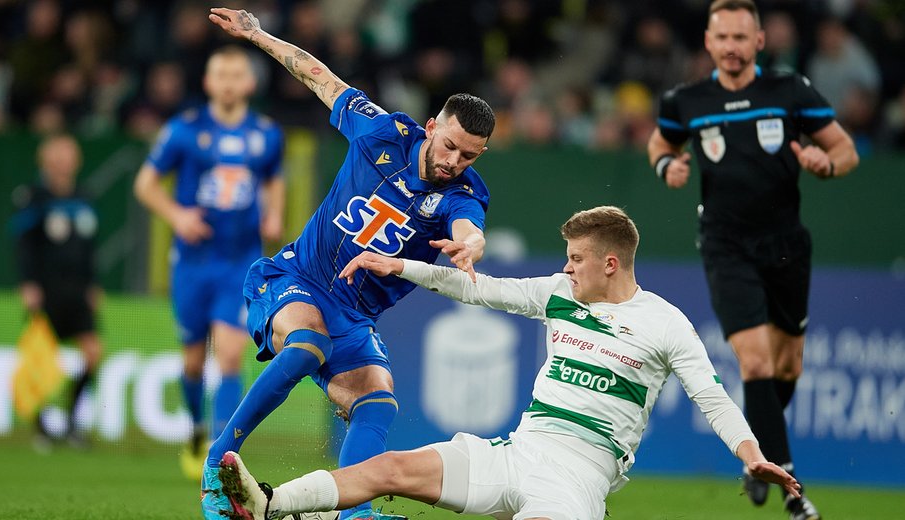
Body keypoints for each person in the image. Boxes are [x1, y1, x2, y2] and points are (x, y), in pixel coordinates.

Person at [211, 205, 801, 520]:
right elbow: (478, 289)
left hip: (580, 475)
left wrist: (752, 457)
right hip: (518, 451)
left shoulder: (666, 323)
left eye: (575, 259)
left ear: (611, 264)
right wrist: (401, 266)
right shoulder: (560, 295)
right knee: (389, 467)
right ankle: (269, 506)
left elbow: (712, 397)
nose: (566, 268)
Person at [203, 7, 495, 520]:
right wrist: (257, 34)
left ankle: (353, 514)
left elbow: (469, 228)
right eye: (449, 146)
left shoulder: (463, 194)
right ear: (431, 127)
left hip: (355, 317)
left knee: (377, 403)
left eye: (468, 156)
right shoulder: (381, 132)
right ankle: (215, 465)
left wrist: (472, 246)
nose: (454, 162)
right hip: (297, 278)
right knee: (307, 345)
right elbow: (319, 76)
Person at [645, 1, 859, 519]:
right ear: (709, 42)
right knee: (756, 362)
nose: (732, 47)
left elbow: (846, 150)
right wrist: (667, 165)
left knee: (786, 366)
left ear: (759, 41)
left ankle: (756, 449)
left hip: (786, 245)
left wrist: (826, 164)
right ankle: (792, 490)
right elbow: (659, 142)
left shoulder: (790, 91)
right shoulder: (686, 100)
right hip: (725, 245)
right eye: (723, 37)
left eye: (742, 37)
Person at [133, 45, 286, 481]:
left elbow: (274, 178)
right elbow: (145, 184)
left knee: (231, 356)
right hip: (192, 262)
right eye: (221, 74)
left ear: (250, 83)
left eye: (237, 75)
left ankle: (220, 457)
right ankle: (196, 429)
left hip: (240, 261)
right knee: (193, 362)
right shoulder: (184, 130)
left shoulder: (267, 134)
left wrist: (274, 213)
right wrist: (177, 216)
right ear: (207, 82)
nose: (229, 82)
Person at [12, 133, 103, 450]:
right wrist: (28, 283)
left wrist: (92, 283)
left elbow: (89, 247)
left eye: (70, 155)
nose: (65, 161)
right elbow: (23, 244)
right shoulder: (33, 196)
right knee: (41, 359)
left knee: (93, 352)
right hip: (46, 289)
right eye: (59, 155)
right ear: (46, 160)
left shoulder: (84, 196)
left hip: (77, 289)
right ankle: (40, 426)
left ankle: (71, 421)